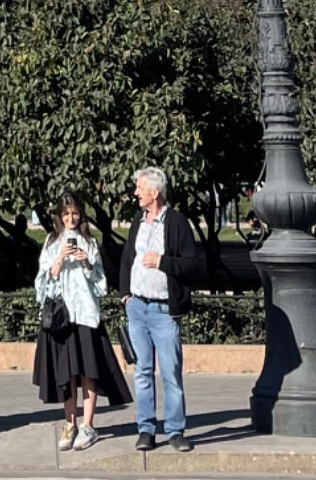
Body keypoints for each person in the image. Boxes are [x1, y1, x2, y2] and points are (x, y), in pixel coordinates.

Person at [33, 192, 130, 450]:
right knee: (67, 374)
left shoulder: (89, 242)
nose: (71, 218)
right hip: (62, 319)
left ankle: (88, 425)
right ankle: (70, 423)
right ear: (59, 217)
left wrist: (86, 262)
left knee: (88, 371)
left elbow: (100, 285)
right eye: (66, 214)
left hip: (86, 315)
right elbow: (42, 284)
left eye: (75, 213)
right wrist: (59, 260)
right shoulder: (52, 242)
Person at [117, 166, 202, 454]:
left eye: (140, 188)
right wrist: (125, 294)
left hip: (164, 310)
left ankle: (176, 431)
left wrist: (162, 261)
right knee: (142, 371)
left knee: (171, 372)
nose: (136, 193)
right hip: (138, 307)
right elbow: (127, 257)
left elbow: (192, 264)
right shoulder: (137, 221)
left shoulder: (177, 222)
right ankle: (146, 429)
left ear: (154, 192)